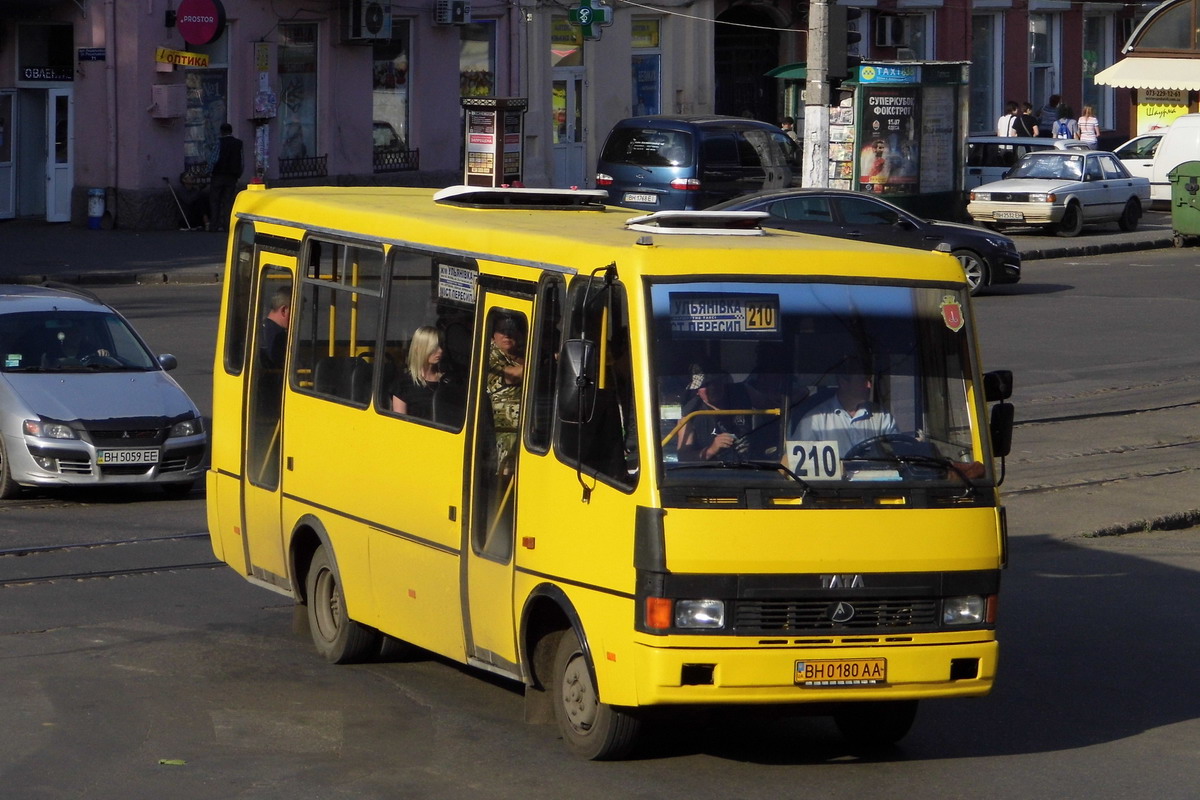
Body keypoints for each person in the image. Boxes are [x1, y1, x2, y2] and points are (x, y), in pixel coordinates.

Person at [792, 356, 897, 454]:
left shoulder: (882, 416)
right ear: (843, 383)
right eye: (864, 381)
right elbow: (797, 462)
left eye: (869, 380)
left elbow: (898, 450)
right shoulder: (814, 420)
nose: (869, 386)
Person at [677, 371, 755, 461]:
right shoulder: (689, 415)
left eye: (716, 381)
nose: (712, 387)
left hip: (756, 468)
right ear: (696, 391)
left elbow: (771, 405)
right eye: (705, 385)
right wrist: (712, 449)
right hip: (712, 473)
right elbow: (683, 457)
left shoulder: (742, 392)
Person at [486, 314, 525, 476]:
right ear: (493, 335)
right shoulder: (488, 355)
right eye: (501, 330)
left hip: (528, 432)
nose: (507, 334)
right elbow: (512, 375)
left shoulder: (523, 356)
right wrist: (545, 361)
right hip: (505, 433)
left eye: (512, 330)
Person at [391, 325, 451, 419]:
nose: (440, 351)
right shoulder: (404, 383)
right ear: (419, 349)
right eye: (434, 347)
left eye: (441, 345)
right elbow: (400, 423)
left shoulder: (447, 381)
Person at [208, 123, 244, 233]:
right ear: (231, 131)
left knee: (215, 201)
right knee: (228, 202)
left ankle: (214, 225)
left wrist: (208, 171)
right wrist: (238, 174)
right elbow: (241, 161)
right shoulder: (238, 143)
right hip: (232, 177)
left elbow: (213, 159)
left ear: (221, 131)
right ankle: (227, 226)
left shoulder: (219, 142)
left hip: (218, 175)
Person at [260, 285, 291, 369]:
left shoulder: (259, 332)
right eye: (299, 312)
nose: (301, 317)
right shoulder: (278, 337)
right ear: (284, 310)